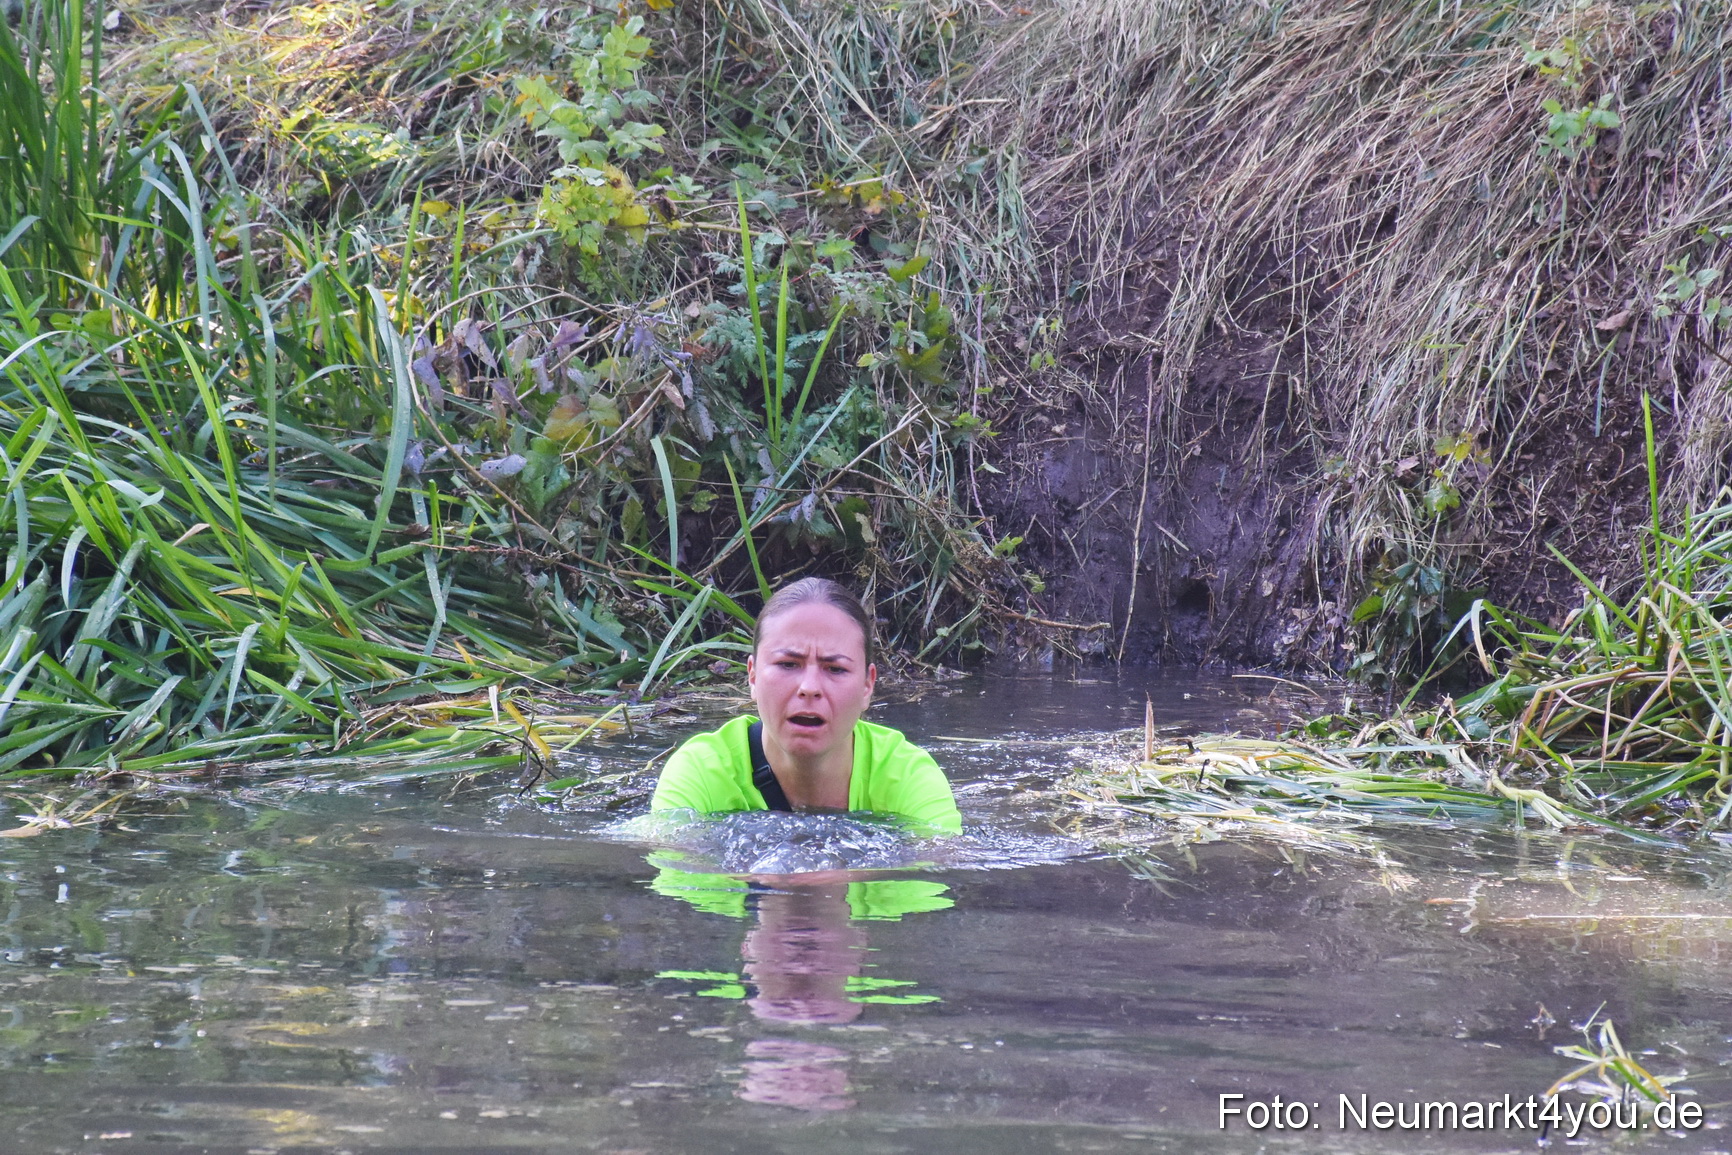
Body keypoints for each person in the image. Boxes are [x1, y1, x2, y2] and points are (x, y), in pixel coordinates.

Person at [649, 577, 962, 835]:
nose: (809, 688)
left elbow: (935, 874)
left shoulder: (908, 776)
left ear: (868, 685)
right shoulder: (700, 772)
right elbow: (675, 873)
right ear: (753, 676)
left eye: (835, 669)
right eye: (788, 664)